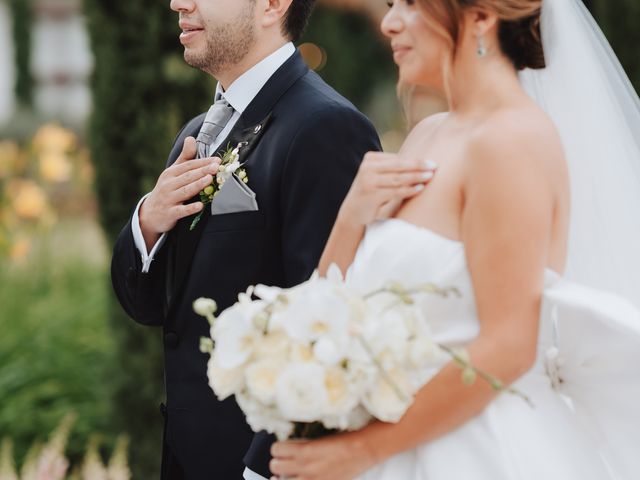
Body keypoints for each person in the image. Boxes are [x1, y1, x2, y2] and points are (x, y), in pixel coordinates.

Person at [268, 0, 640, 479]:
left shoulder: (510, 140)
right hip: (393, 443)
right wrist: (351, 217)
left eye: (410, 5)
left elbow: (508, 346)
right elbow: (339, 304)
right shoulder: (427, 136)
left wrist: (359, 452)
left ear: (481, 16)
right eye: (389, 4)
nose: (389, 23)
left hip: (475, 448)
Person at [109, 0, 426, 478]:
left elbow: (333, 323)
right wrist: (148, 222)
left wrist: (263, 468)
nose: (179, 2)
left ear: (272, 5)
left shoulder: (326, 126)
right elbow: (151, 308)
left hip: (260, 464)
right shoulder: (198, 133)